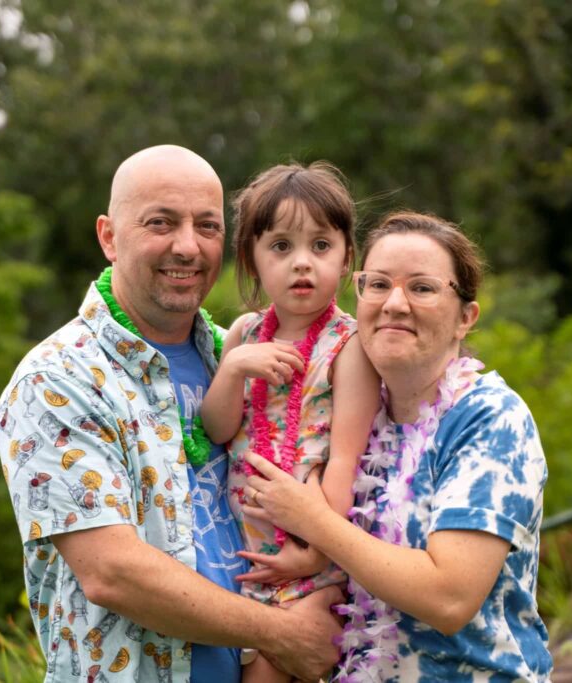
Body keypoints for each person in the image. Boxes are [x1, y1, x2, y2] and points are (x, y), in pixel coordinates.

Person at [0, 145, 343, 683]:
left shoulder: (242, 357)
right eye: (161, 223)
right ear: (109, 236)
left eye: (207, 226)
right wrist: (279, 633)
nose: (187, 246)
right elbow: (112, 573)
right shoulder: (58, 380)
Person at [240, 211, 553, 681]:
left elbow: (449, 597)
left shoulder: (490, 418)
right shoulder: (353, 417)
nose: (395, 304)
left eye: (422, 288)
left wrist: (316, 525)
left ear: (465, 318)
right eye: (379, 284)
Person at [200, 163, 380, 682]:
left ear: (347, 256)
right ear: (253, 260)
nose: (302, 263)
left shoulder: (349, 347)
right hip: (248, 555)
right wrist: (232, 368)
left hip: (314, 555)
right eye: (281, 246)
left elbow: (345, 462)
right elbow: (217, 429)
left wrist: (313, 553)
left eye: (320, 246)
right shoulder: (243, 333)